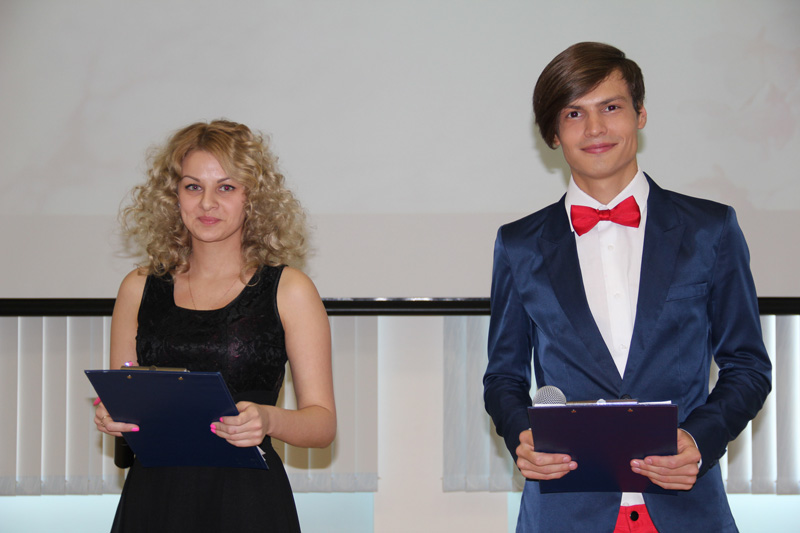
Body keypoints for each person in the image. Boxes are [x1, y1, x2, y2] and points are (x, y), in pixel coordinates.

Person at [483, 42, 772, 532]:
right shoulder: (519, 244)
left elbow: (747, 366)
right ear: (552, 132)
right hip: (563, 512)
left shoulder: (711, 229)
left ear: (640, 114)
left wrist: (699, 439)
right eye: (574, 113)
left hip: (687, 508)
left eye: (611, 107)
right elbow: (503, 378)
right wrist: (521, 434)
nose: (595, 129)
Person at [93, 119, 336, 532]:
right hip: (153, 502)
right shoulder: (137, 287)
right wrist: (113, 418)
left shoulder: (289, 289)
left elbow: (323, 424)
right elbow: (127, 410)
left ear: (252, 197)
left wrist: (268, 420)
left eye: (226, 187)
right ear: (173, 195)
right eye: (193, 186)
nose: (207, 203)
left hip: (248, 504)